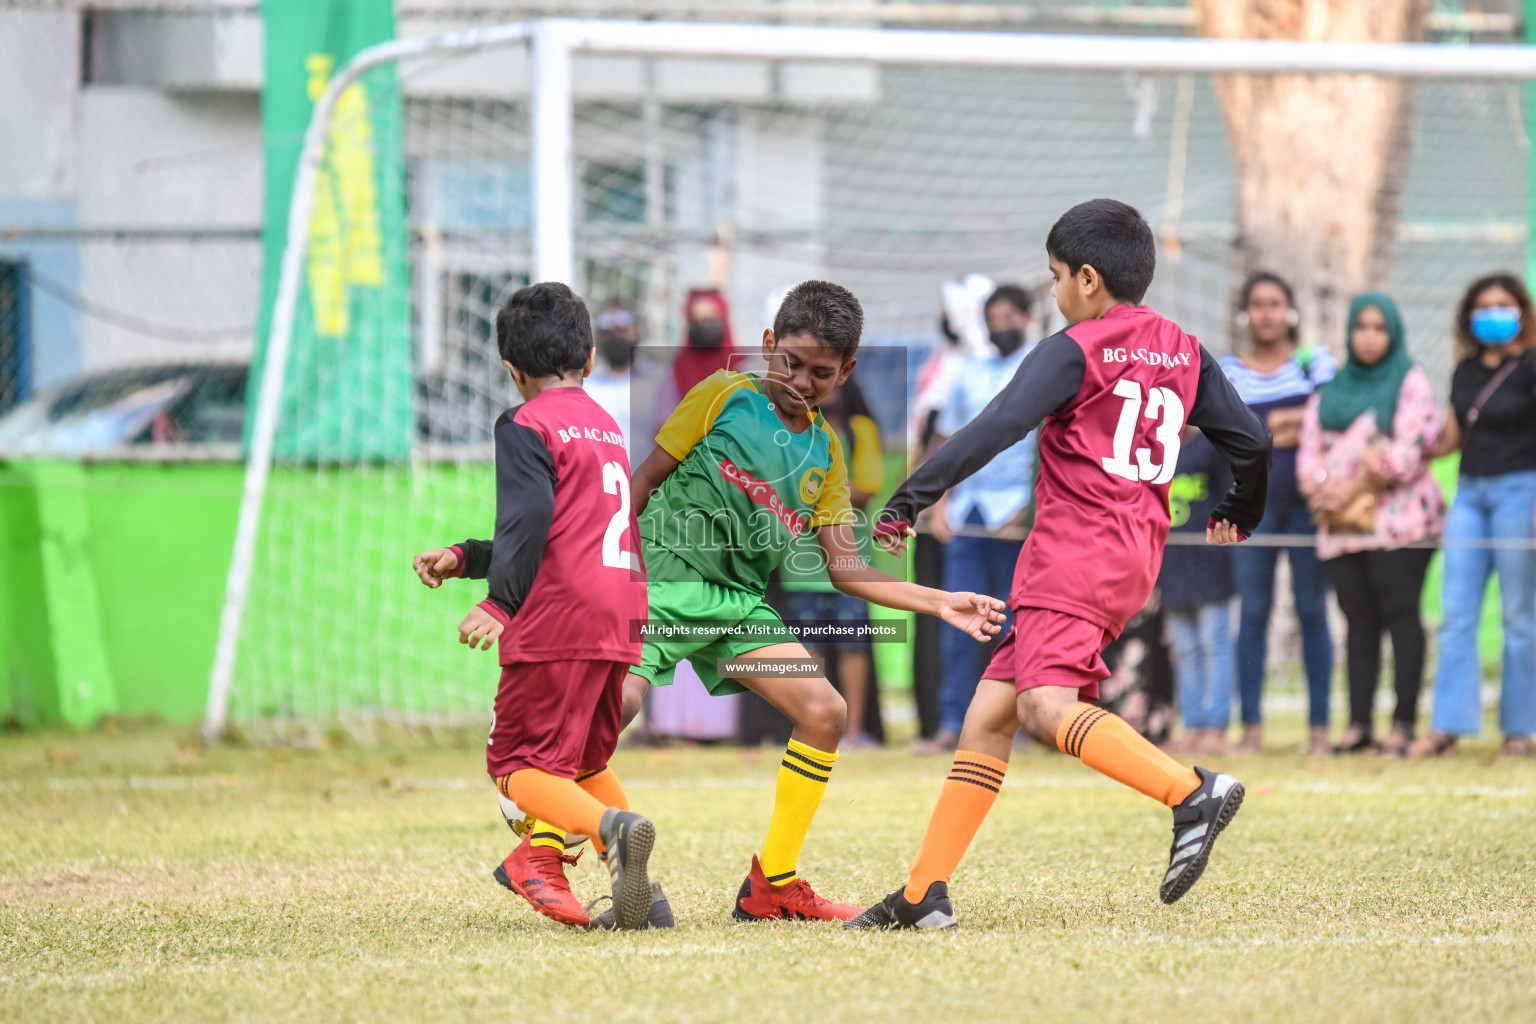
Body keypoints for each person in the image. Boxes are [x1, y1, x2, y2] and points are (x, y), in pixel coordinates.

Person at [848, 199, 1272, 930]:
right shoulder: (1184, 349)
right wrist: (1242, 507)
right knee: (988, 717)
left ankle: (1189, 792)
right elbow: (1253, 442)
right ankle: (924, 894)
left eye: (1053, 277)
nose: (1051, 293)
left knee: (1047, 707)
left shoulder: (1076, 347)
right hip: (1132, 552)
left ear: (1087, 277)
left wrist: (908, 498)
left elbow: (998, 426)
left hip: (1074, 554)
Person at [628, 279, 1006, 922]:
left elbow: (847, 570)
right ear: (768, 345)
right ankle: (545, 836)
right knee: (617, 708)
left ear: (847, 371)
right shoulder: (722, 395)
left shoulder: (826, 451)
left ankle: (771, 885)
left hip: (737, 609)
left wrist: (937, 600)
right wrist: (613, 578)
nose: (802, 381)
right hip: (663, 589)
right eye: (791, 363)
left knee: (825, 710)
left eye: (821, 373)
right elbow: (640, 484)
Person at [410, 282, 664, 932]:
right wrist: (467, 557)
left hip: (559, 618)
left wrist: (500, 603)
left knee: (517, 767)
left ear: (510, 370)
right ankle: (645, 896)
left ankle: (610, 831)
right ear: (585, 361)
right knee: (582, 763)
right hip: (621, 612)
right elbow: (565, 530)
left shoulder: (525, 424)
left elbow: (529, 515)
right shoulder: (604, 426)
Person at [1297, 293, 1444, 758]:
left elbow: (1408, 451)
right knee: (1358, 623)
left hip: (1402, 525)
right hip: (1342, 527)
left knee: (1402, 617)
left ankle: (1402, 724)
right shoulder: (1333, 388)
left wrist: (1352, 485)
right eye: (1361, 326)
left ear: (1393, 333)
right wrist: (1321, 487)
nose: (1369, 336)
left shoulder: (1410, 381)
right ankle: (1359, 723)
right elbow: (1308, 451)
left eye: (1380, 327)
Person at [1411, 273, 1536, 759]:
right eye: (1484, 306)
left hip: (1519, 492)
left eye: (1504, 304)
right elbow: (1450, 439)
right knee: (1456, 614)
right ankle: (1449, 726)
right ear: (1469, 317)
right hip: (1470, 494)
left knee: (1518, 615)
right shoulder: (1464, 371)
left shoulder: (1530, 366)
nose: (1494, 313)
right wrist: (1401, 446)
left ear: (1521, 312)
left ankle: (1518, 730)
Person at [1220, 272, 1337, 755]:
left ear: (1289, 311)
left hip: (1309, 507)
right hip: (1252, 507)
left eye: (1276, 303)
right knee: (1253, 613)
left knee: (1313, 609)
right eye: (1257, 303)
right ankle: (1250, 727)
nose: (1267, 312)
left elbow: (1331, 419)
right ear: (1245, 312)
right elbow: (1227, 435)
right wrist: (1291, 422)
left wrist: (1268, 427)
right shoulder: (1226, 369)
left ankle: (1319, 729)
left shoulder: (1316, 362)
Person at [918, 283, 1039, 754]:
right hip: (968, 513)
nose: (1002, 325)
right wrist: (942, 501)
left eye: (1012, 317)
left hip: (1018, 516)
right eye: (995, 317)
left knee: (1016, 625)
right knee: (959, 622)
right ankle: (952, 722)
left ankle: (1021, 724)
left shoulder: (1042, 368)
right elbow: (950, 440)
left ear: (1028, 319)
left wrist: (1030, 507)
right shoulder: (967, 371)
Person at [778, 375, 887, 747]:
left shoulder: (861, 431)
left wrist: (814, 493)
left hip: (850, 559)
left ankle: (854, 731)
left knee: (853, 645)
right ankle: (811, 728)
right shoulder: (791, 427)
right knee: (809, 648)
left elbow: (869, 487)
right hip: (800, 564)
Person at [1159, 431, 1238, 756]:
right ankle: (1192, 726)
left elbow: (1231, 500)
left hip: (1211, 561)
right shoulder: (1154, 447)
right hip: (1170, 563)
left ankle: (1216, 727)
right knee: (1185, 650)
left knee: (1215, 644)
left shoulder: (1213, 446)